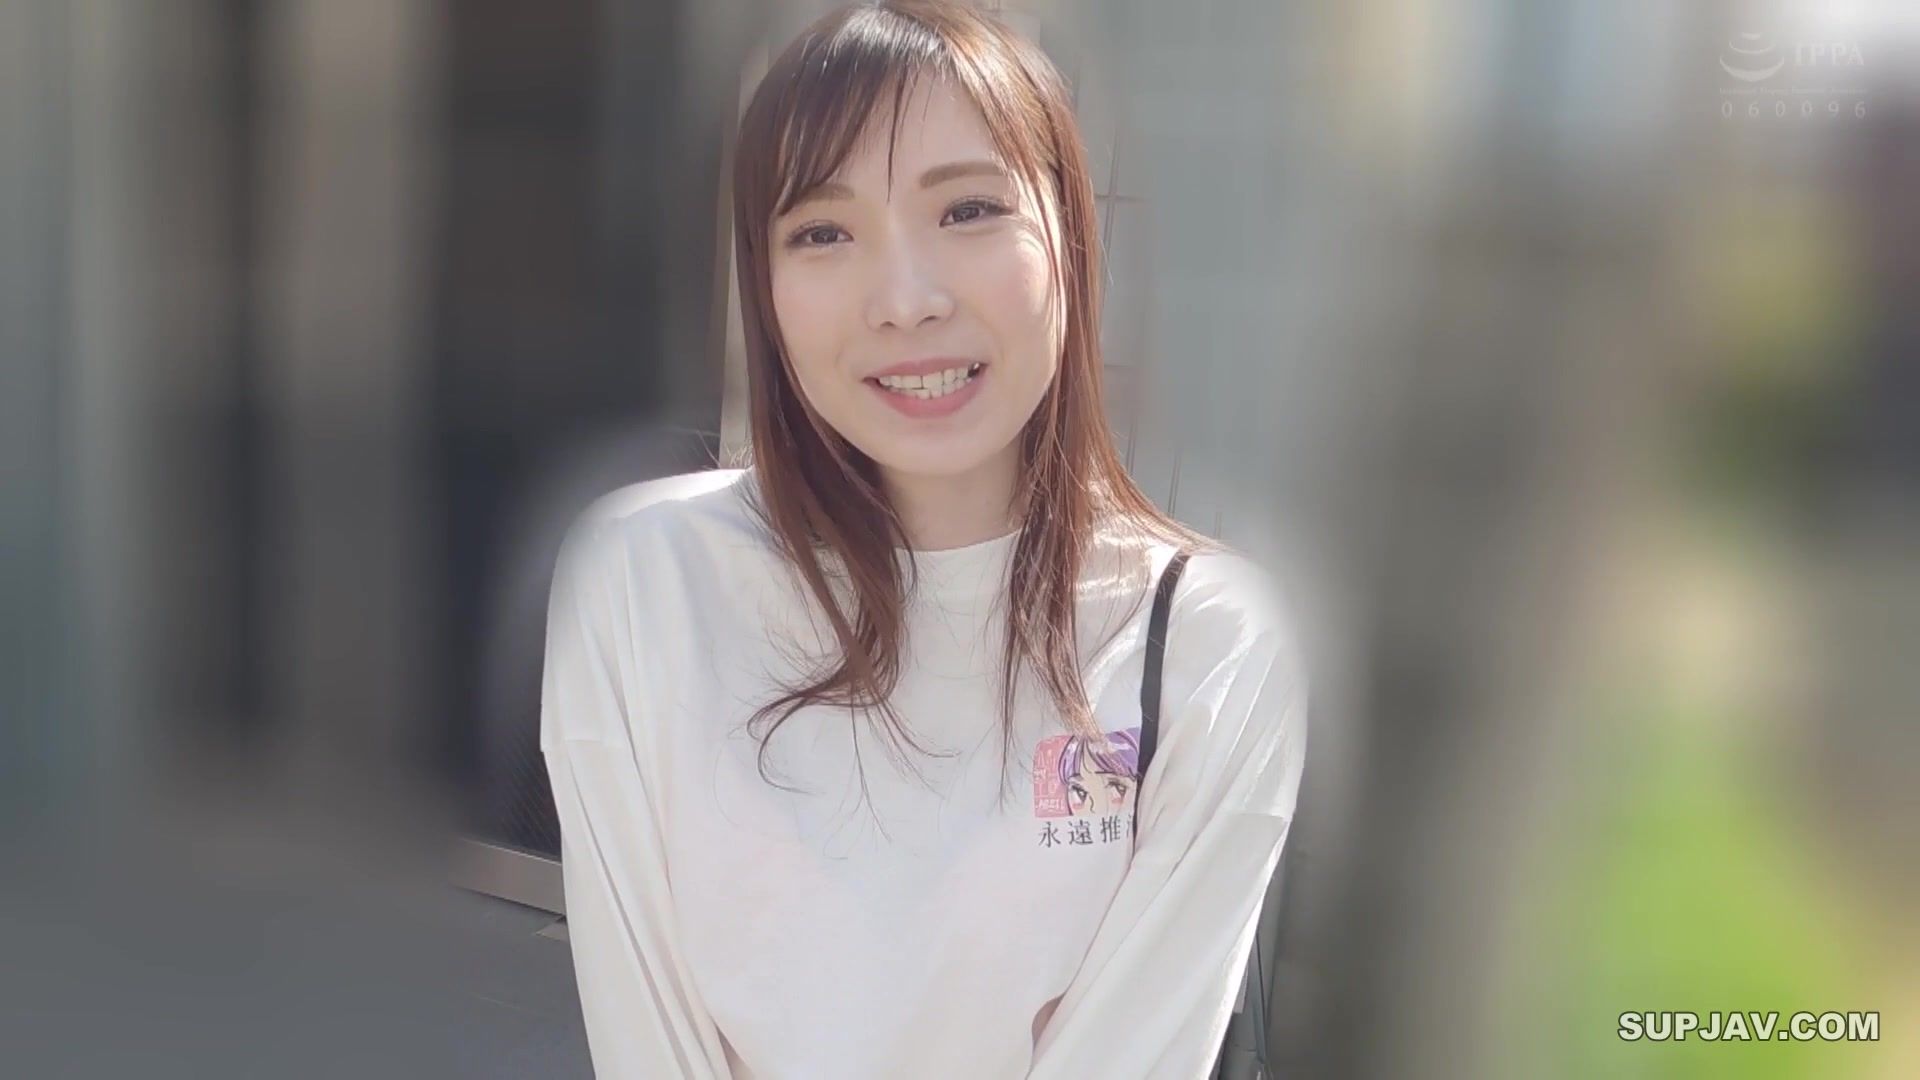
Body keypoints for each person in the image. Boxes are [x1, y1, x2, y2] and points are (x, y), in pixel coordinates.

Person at [537, 2, 1308, 1077]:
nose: (904, 301)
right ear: (763, 287)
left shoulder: (1212, 644)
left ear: (1073, 241)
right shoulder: (642, 582)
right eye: (822, 232)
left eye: (969, 210)